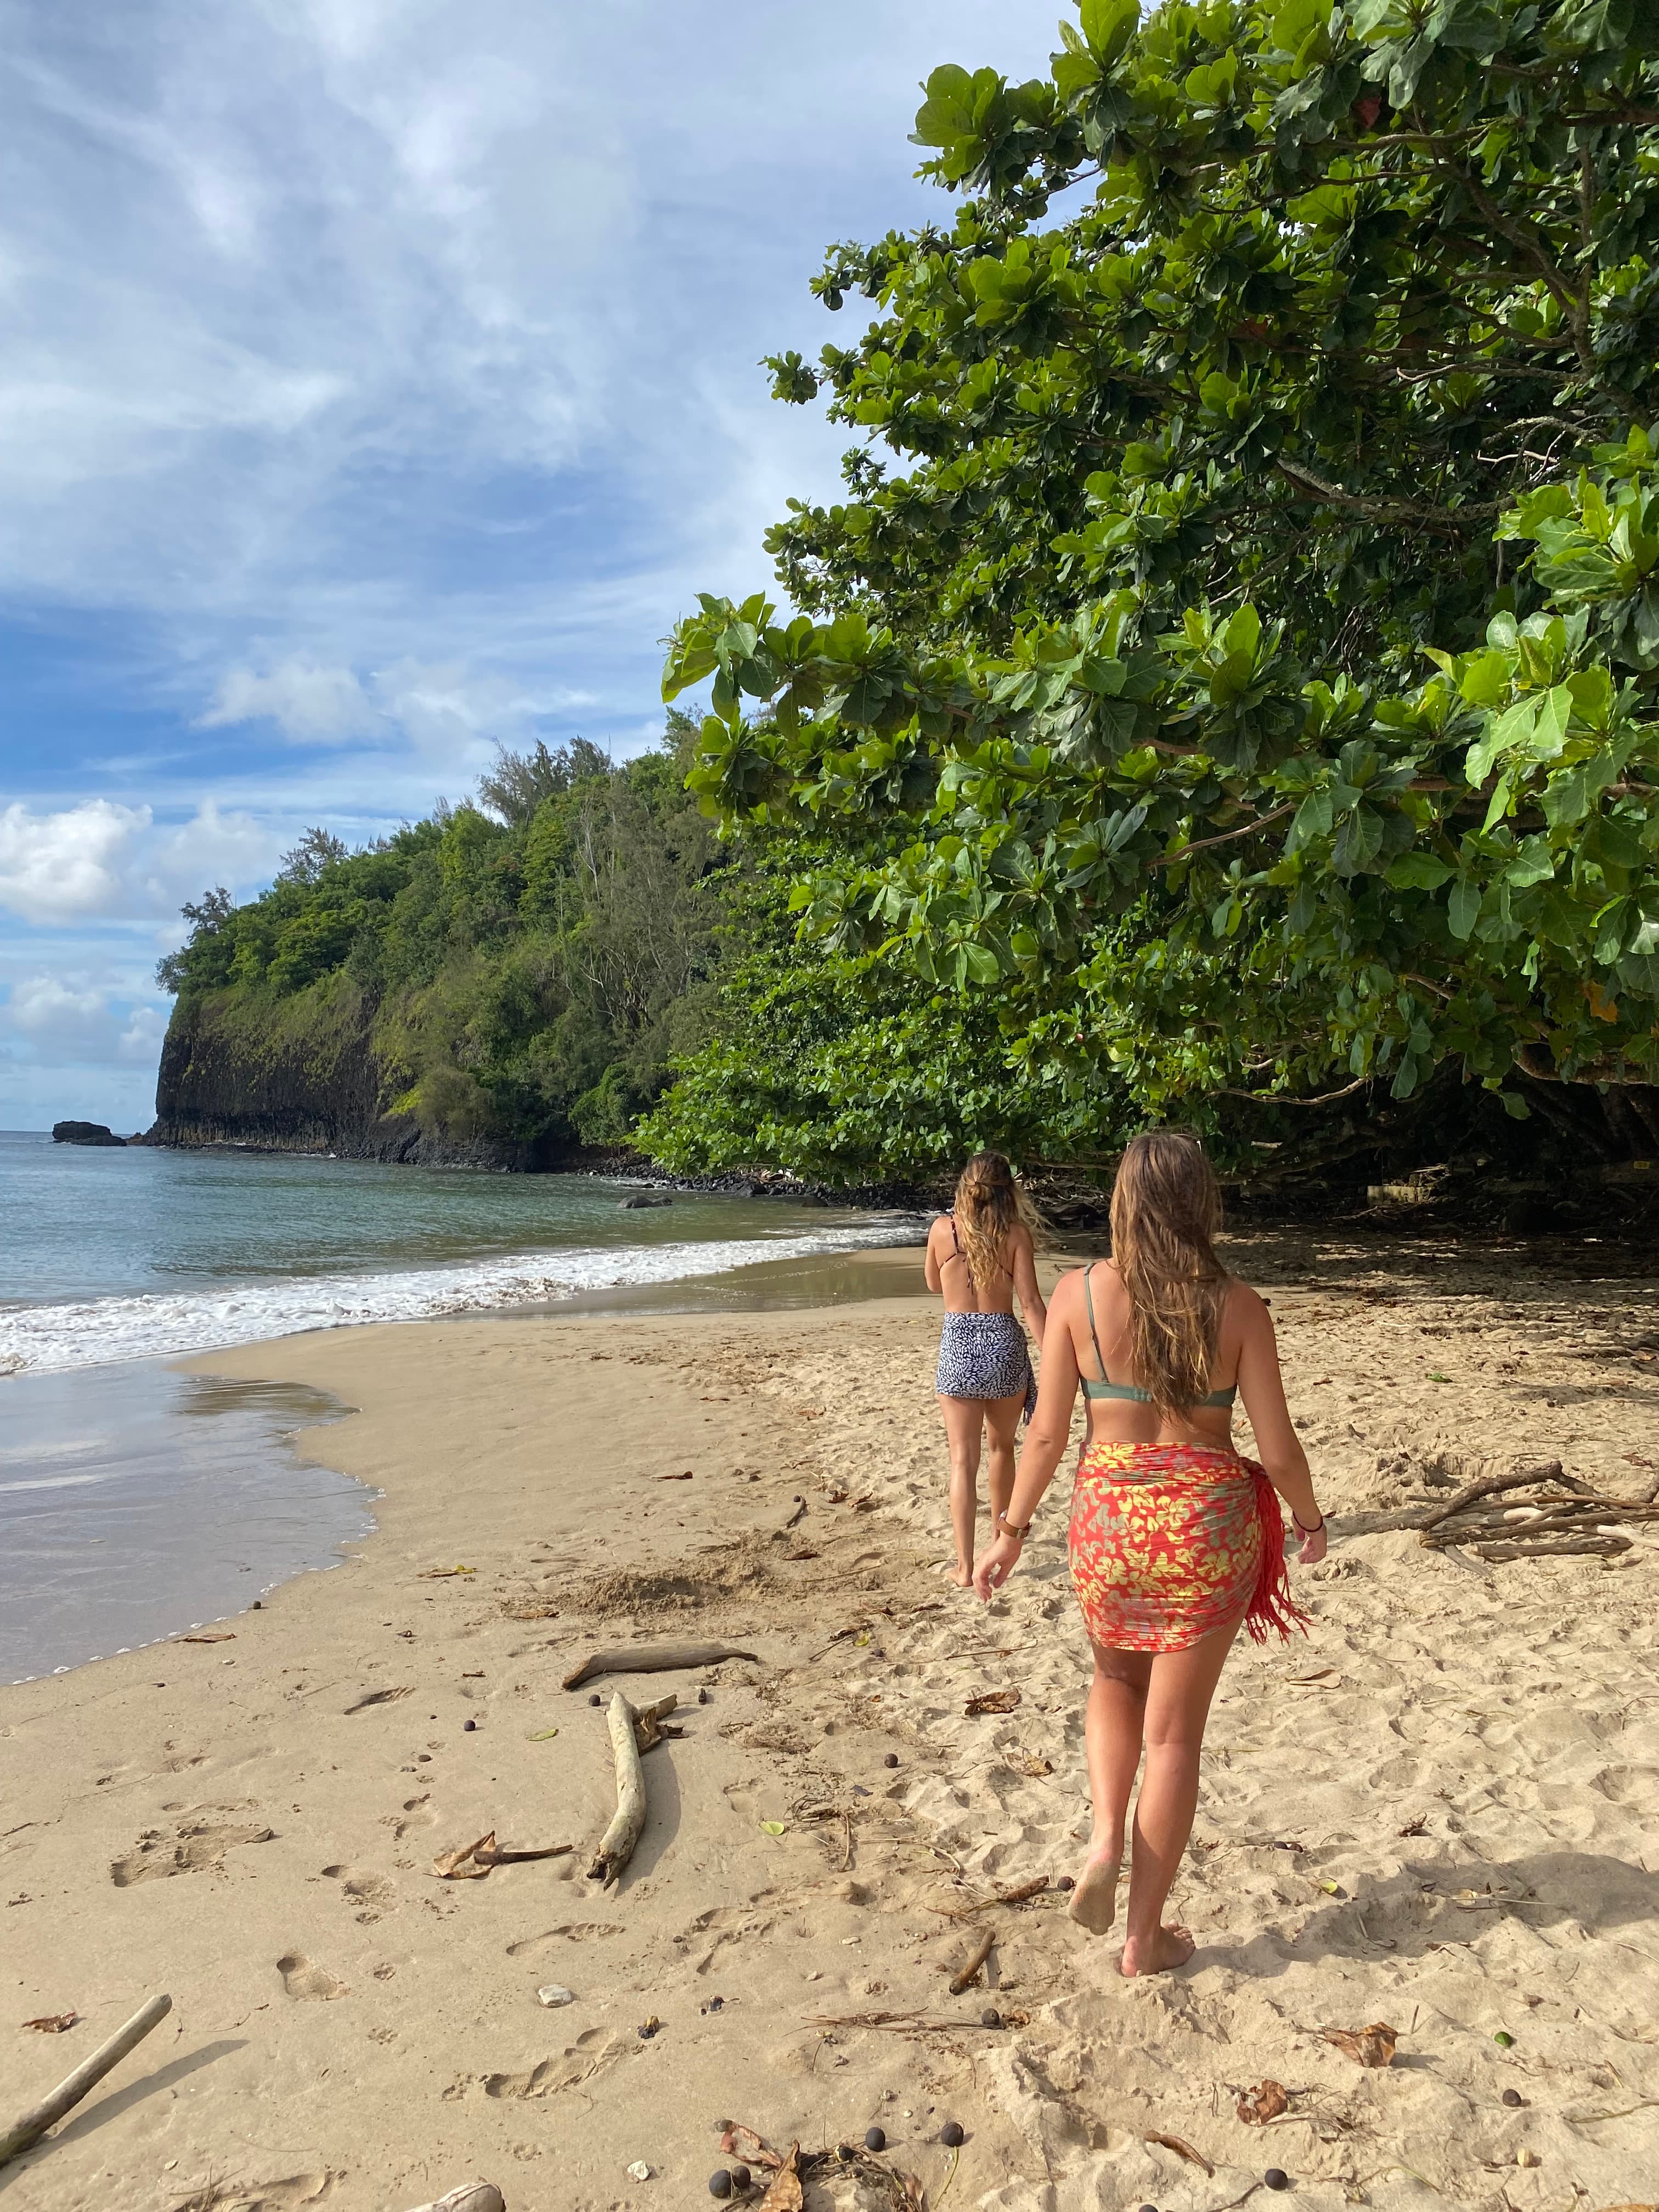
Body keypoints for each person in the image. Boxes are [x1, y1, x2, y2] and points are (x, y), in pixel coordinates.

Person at [972, 1129, 1326, 1977]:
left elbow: (1049, 1433)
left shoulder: (1078, 1296)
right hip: (1205, 1527)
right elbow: (1277, 1450)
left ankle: (1102, 1841)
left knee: (1112, 1681)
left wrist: (1010, 1533)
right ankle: (1143, 1938)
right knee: (1172, 1742)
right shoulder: (1239, 1305)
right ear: (1201, 1204)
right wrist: (1309, 1520)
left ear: (1124, 1201)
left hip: (1110, 1522)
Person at [925, 1152, 1048, 1589]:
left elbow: (933, 1284)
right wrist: (1055, 1353)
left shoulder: (943, 1230)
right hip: (1002, 1343)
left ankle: (962, 1566)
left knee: (962, 1460)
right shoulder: (1016, 1235)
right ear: (1008, 1191)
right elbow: (1031, 1304)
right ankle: (999, 1546)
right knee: (1002, 1450)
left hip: (958, 1343)